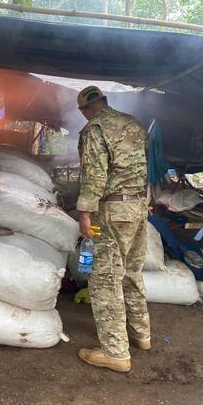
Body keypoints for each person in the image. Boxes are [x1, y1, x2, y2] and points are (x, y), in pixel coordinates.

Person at [75, 85, 151, 373]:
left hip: (112, 212)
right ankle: (141, 335)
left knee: (105, 278)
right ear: (105, 101)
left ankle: (115, 352)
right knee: (132, 273)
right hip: (138, 208)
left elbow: (94, 175)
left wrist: (84, 214)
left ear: (84, 110)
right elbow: (142, 168)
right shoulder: (133, 123)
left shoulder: (94, 130)